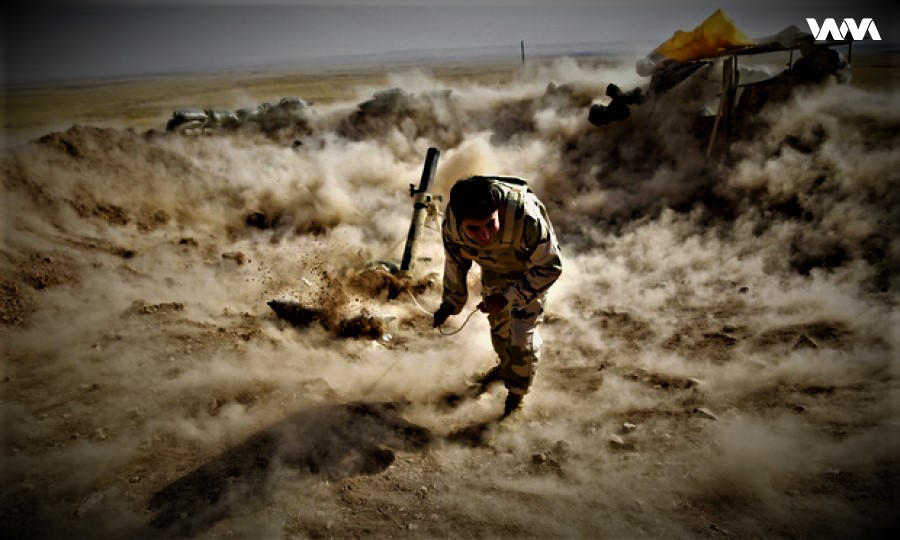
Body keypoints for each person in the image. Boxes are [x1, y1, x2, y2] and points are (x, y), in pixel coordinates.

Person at [432, 175, 562, 418]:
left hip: (529, 273)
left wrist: (509, 296)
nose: (484, 236)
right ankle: (505, 367)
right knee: (500, 329)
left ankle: (517, 395)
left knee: (522, 337)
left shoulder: (526, 217)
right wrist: (451, 303)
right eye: (474, 229)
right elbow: (455, 263)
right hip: (494, 272)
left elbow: (550, 267)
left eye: (490, 224)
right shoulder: (451, 224)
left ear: (499, 211)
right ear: (461, 223)